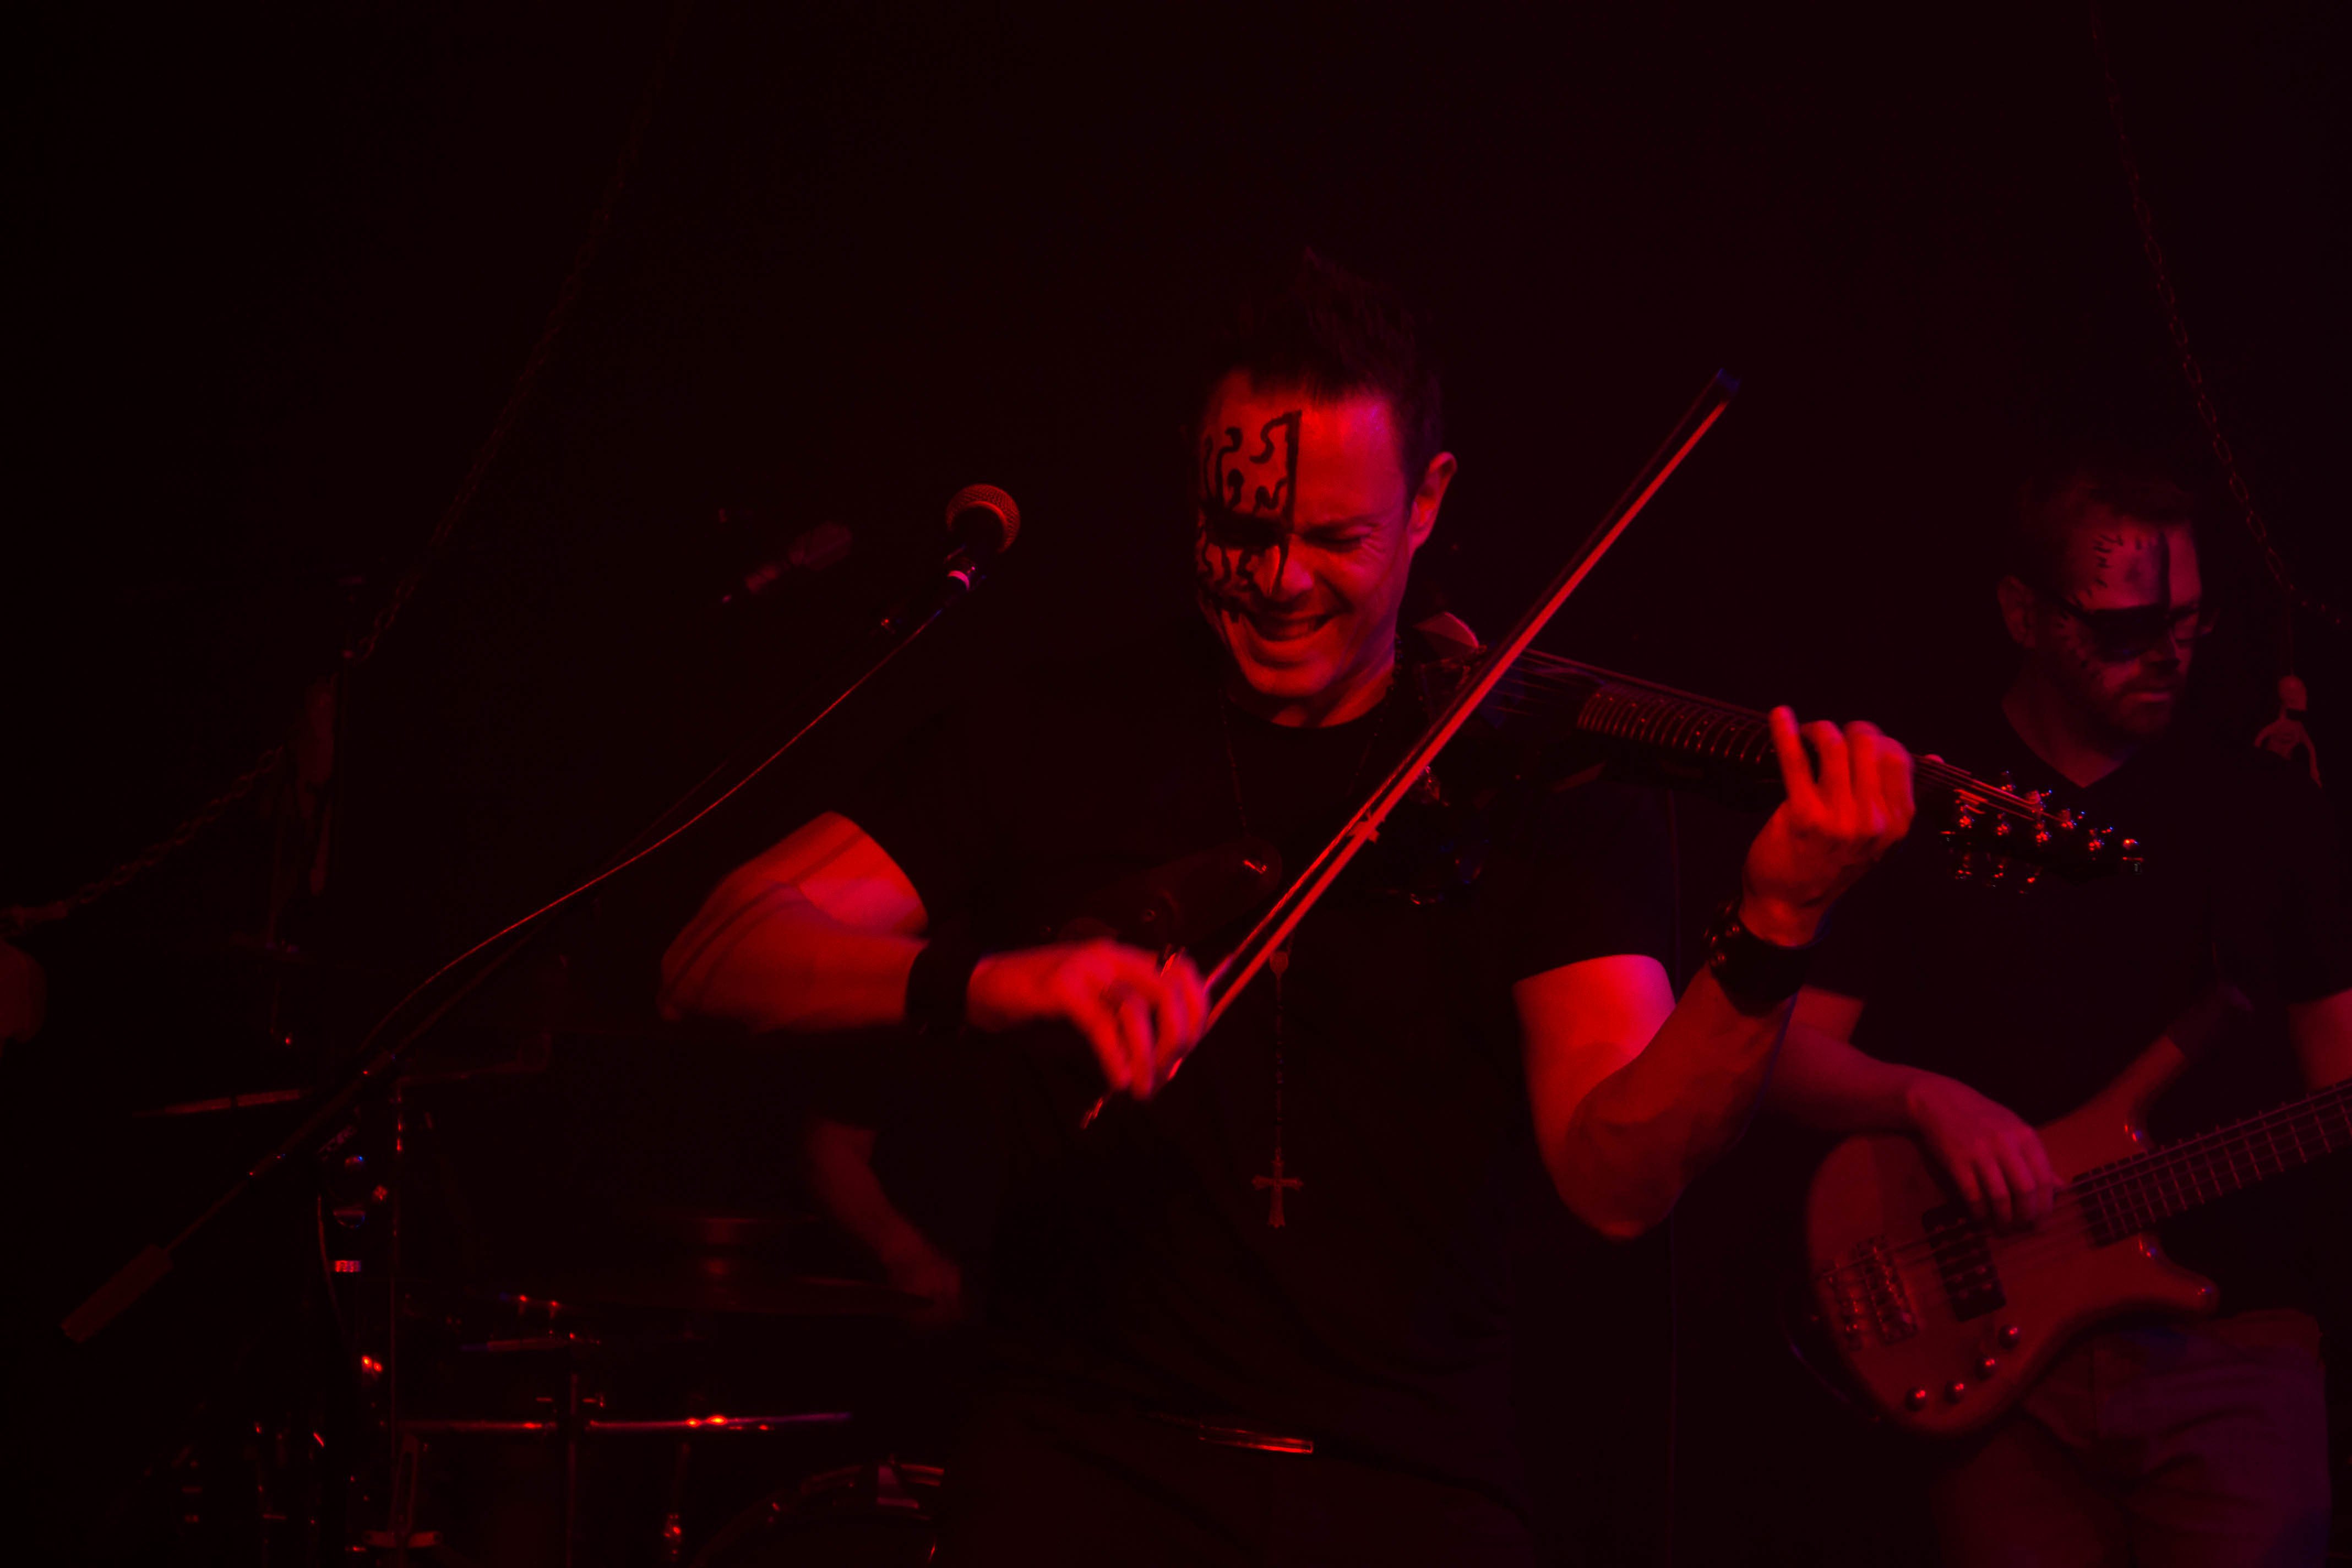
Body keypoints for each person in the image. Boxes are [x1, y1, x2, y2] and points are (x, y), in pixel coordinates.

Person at [660, 253, 1915, 1564]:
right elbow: (712, 954)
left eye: (1335, 538)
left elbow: (1614, 1178)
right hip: (1078, 1467)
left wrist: (1771, 932)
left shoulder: (1540, 776)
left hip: (1409, 1485)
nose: (1278, 579)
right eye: (1242, 529)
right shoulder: (1053, 729)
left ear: (1427, 504)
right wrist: (995, 979)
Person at [1770, 451, 2352, 1566]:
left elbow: (2338, 1073)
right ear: (2022, 613)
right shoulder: (1924, 800)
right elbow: (1780, 1056)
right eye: (2127, 624)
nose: (2169, 652)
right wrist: (1923, 1096)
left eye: (2190, 619)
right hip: (1998, 1363)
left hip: (2234, 1351)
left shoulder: (2268, 809)